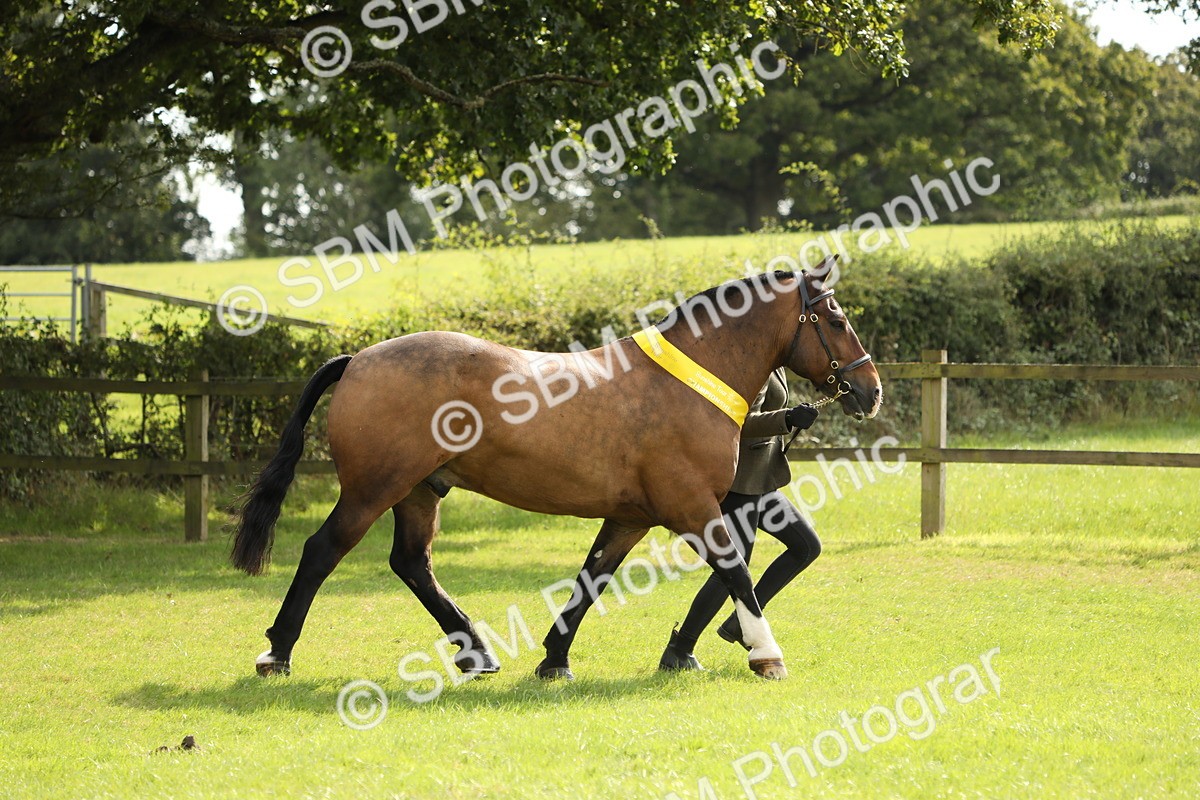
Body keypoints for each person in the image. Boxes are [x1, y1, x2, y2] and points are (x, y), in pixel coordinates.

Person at [659, 367, 821, 671]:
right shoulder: (754, 363)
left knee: (806, 547)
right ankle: (679, 650)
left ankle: (740, 621)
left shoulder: (775, 362)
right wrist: (786, 419)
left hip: (763, 481)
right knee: (730, 569)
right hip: (740, 481)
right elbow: (739, 422)